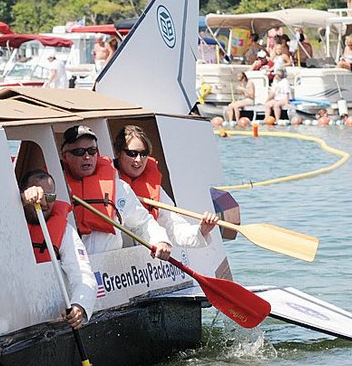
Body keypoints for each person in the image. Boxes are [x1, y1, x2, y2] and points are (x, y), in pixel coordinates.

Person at [60, 125, 172, 259]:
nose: (87, 157)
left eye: (92, 151)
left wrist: (159, 240)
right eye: (79, 152)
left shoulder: (118, 188)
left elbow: (143, 222)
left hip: (109, 269)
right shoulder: (55, 188)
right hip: (72, 267)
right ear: (65, 156)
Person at [112, 126, 220, 247]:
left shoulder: (153, 188)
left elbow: (173, 226)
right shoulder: (109, 185)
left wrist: (201, 230)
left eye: (143, 154)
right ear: (118, 152)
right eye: (132, 153)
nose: (139, 160)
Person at [19, 169, 96, 329]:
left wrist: (79, 305)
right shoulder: (6, 221)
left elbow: (83, 274)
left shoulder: (65, 231)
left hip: (44, 320)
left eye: (50, 197)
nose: (45, 203)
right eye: (39, 197)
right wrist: (21, 199)